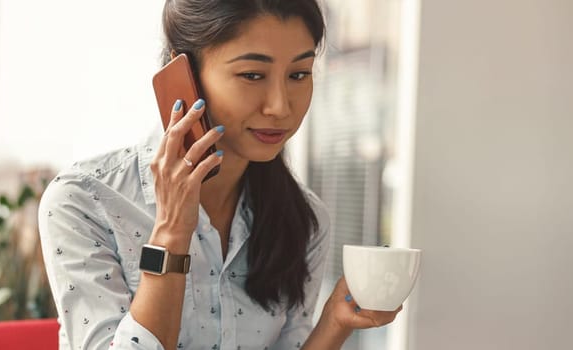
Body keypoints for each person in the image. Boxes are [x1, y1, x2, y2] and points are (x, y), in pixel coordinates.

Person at [38, 0, 402, 349]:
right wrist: (171, 232)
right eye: (252, 75)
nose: (280, 106)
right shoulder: (83, 202)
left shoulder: (304, 219)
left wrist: (334, 325)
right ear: (183, 76)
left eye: (298, 74)